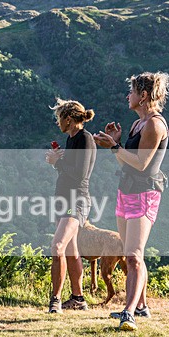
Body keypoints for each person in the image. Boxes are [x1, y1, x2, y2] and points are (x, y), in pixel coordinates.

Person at [94, 72, 169, 331]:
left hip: (144, 194)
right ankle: (141, 306)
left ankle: (128, 313)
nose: (128, 96)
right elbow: (126, 161)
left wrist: (114, 148)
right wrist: (116, 143)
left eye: (131, 92)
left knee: (134, 256)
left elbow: (141, 163)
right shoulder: (137, 125)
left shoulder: (154, 125)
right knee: (131, 255)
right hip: (125, 191)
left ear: (144, 96)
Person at [45, 99, 96, 314]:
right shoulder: (72, 138)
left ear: (68, 118)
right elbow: (69, 171)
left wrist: (56, 162)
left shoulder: (85, 139)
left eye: (59, 118)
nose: (57, 122)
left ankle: (55, 300)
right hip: (64, 200)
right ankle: (78, 298)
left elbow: (80, 174)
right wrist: (59, 162)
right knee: (71, 250)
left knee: (57, 247)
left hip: (76, 201)